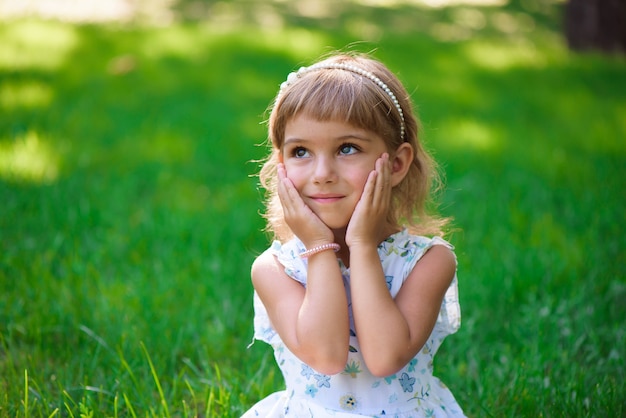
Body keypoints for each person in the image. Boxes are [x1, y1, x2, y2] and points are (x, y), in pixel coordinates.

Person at [243, 52, 465, 417]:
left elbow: (385, 356)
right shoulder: (275, 269)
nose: (322, 173)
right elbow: (327, 356)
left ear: (396, 164)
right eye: (301, 152)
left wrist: (361, 246)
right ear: (281, 166)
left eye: (347, 148)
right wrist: (318, 247)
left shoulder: (428, 262)